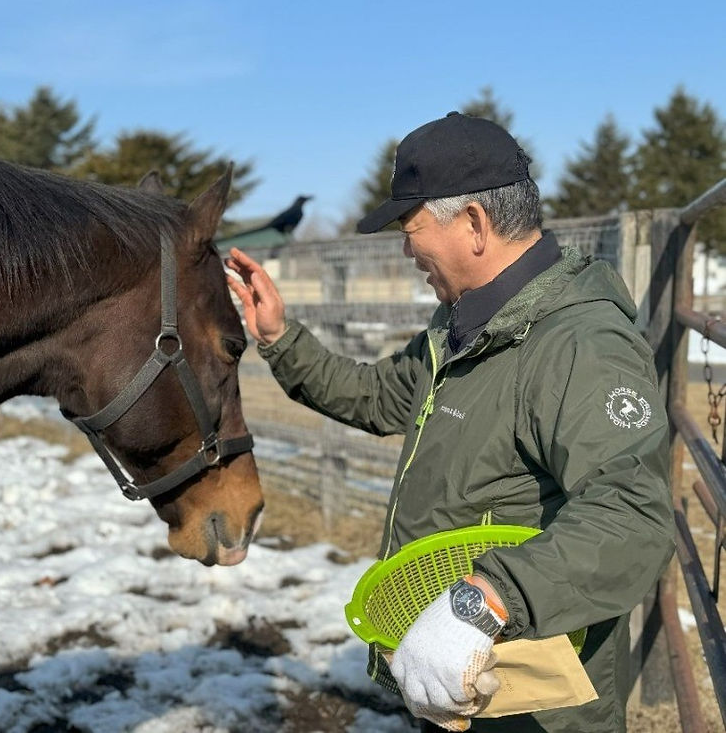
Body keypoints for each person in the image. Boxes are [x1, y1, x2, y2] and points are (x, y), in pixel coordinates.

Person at [225, 112, 675, 732]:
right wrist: (280, 338)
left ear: (473, 223)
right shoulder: (463, 328)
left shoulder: (577, 344)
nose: (407, 250)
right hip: (461, 675)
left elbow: (631, 514)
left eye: (411, 229)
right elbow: (379, 396)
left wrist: (483, 601)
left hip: (530, 701)